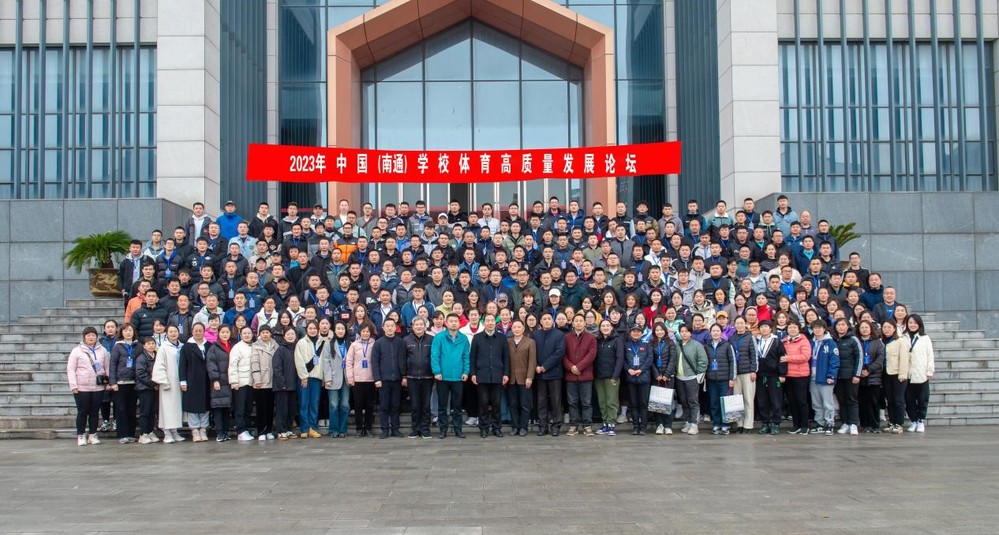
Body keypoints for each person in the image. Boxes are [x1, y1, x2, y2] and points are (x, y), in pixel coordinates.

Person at [67, 326, 111, 446]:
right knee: (82, 411)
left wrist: (108, 383)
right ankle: (81, 435)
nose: (91, 338)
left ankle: (93, 434)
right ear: (84, 337)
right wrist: (73, 385)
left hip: (98, 387)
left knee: (94, 412)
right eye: (88, 335)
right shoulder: (77, 351)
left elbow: (107, 367)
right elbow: (71, 369)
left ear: (96, 337)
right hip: (82, 387)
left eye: (93, 335)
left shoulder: (102, 350)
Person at [470, 314, 511, 438]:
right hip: (482, 375)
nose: (490, 323)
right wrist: (473, 373)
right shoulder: (477, 338)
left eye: (492, 320)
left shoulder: (502, 338)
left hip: (497, 375)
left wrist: (506, 373)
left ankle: (496, 428)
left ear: (495, 322)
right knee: (483, 403)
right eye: (487, 321)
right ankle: (483, 428)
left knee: (496, 404)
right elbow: (473, 357)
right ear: (484, 323)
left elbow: (506, 357)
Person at [431, 313, 471, 439]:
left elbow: (466, 356)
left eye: (456, 321)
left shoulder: (463, 338)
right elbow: (435, 355)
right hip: (442, 376)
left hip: (458, 376)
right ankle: (443, 429)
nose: (454, 323)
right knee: (442, 405)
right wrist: (436, 371)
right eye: (451, 321)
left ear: (459, 323)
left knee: (457, 406)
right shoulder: (439, 337)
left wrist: (466, 371)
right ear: (446, 323)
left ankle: (458, 429)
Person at [562, 313, 597, 437]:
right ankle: (574, 425)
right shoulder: (566, 338)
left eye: (581, 321)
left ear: (585, 323)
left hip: (585, 375)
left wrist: (579, 367)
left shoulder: (591, 338)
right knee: (572, 402)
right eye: (576, 320)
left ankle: (587, 426)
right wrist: (571, 367)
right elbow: (563, 355)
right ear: (572, 323)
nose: (578, 323)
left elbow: (591, 355)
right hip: (571, 375)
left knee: (586, 402)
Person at [372, 318, 407, 439]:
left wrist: (404, 376)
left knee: (396, 405)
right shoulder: (378, 343)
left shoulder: (400, 342)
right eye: (387, 326)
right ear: (383, 328)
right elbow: (375, 362)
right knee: (384, 406)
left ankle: (395, 429)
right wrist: (377, 379)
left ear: (395, 327)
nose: (390, 328)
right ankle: (385, 429)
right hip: (383, 380)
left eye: (392, 325)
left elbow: (403, 360)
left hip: (397, 379)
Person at [532, 312, 566, 437]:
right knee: (541, 401)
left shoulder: (559, 334)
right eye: (544, 319)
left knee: (556, 401)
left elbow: (559, 352)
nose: (547, 321)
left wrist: (545, 366)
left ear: (553, 321)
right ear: (540, 321)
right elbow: (532, 352)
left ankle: (556, 426)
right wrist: (536, 365)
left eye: (549, 319)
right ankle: (542, 426)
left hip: (554, 373)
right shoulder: (535, 334)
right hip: (539, 374)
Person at [179, 323, 212, 442]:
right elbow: (182, 365)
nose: (198, 333)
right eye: (196, 331)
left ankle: (203, 429)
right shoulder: (186, 347)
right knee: (192, 406)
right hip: (192, 380)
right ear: (192, 332)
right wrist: (183, 381)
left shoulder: (209, 345)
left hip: (206, 380)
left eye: (200, 330)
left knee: (205, 405)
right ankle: (194, 430)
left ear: (204, 332)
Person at [402, 317, 434, 439]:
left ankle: (425, 429)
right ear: (412, 326)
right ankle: (415, 429)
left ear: (425, 326)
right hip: (412, 377)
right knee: (415, 405)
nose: (419, 327)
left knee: (426, 405)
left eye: (421, 324)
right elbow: (403, 359)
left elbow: (434, 357)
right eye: (417, 325)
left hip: (428, 377)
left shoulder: (431, 339)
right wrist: (404, 376)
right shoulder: (406, 340)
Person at [152, 325, 185, 443]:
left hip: (179, 381)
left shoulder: (182, 346)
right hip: (168, 381)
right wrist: (163, 381)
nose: (173, 333)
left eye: (175, 331)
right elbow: (159, 365)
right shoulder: (163, 348)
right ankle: (167, 432)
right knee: (167, 407)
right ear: (167, 333)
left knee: (176, 408)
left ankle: (175, 431)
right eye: (171, 331)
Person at [108, 324, 140, 443]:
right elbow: (112, 364)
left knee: (132, 409)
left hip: (134, 382)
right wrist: (113, 382)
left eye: (130, 330)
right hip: (120, 382)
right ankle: (122, 434)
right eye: (125, 331)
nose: (128, 333)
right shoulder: (117, 347)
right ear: (121, 333)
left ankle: (131, 434)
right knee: (121, 409)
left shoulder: (138, 346)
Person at [754, 321, 787, 435]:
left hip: (774, 375)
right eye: (761, 327)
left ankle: (776, 423)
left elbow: (782, 358)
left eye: (766, 327)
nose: (764, 329)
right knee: (762, 401)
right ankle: (765, 423)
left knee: (775, 400)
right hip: (761, 376)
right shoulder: (756, 341)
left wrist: (782, 374)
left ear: (770, 328)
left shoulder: (776, 341)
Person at [295, 320, 326, 438]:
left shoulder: (322, 342)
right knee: (304, 403)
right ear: (306, 329)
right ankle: (304, 428)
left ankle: (313, 427)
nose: (312, 330)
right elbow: (299, 360)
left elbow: (324, 361)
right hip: (305, 377)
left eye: (314, 328)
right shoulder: (301, 343)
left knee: (314, 403)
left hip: (317, 377)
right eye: (310, 328)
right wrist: (303, 376)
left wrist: (323, 377)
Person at [808, 320, 839, 436]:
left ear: (824, 329)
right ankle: (819, 423)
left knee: (827, 403)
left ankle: (829, 423)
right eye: (815, 328)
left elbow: (834, 361)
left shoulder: (830, 343)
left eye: (819, 328)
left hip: (825, 377)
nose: (817, 330)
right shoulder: (811, 342)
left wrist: (831, 375)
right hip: (812, 377)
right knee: (816, 403)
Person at [675, 323, 707, 435]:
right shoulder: (677, 345)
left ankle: (694, 423)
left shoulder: (697, 345)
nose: (684, 333)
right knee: (684, 401)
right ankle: (688, 421)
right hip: (679, 377)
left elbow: (703, 361)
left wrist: (698, 373)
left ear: (690, 333)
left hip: (692, 377)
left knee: (693, 401)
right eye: (682, 331)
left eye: (686, 331)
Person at [904, 314, 935, 433]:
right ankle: (913, 420)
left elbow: (930, 355)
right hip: (907, 374)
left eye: (915, 323)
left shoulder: (925, 338)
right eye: (910, 322)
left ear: (919, 324)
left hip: (921, 373)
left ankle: (921, 420)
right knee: (909, 399)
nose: (912, 325)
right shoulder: (903, 337)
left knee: (922, 399)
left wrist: (929, 371)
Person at [346, 323, 377, 437]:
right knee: (358, 405)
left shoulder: (374, 344)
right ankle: (359, 428)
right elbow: (349, 362)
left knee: (369, 405)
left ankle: (368, 428)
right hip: (357, 380)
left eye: (367, 331)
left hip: (371, 379)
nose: (365, 333)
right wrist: (350, 378)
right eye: (363, 331)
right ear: (360, 332)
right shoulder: (354, 345)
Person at [506, 319, 536, 437]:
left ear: (523, 329)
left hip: (524, 378)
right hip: (511, 378)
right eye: (514, 327)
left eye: (519, 327)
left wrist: (530, 377)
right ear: (511, 329)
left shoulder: (530, 342)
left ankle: (523, 427)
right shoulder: (507, 342)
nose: (517, 329)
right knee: (512, 404)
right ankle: (515, 426)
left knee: (525, 404)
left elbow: (532, 361)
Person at [832, 318, 863, 435]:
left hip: (850, 376)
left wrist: (857, 374)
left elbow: (859, 357)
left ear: (848, 326)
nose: (841, 327)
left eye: (843, 324)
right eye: (838, 325)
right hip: (838, 376)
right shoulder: (833, 340)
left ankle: (853, 423)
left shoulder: (853, 339)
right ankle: (845, 422)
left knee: (851, 400)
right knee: (842, 400)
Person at [593, 319, 623, 436]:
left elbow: (620, 359)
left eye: (607, 325)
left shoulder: (617, 340)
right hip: (599, 376)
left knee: (611, 401)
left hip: (611, 376)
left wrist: (615, 375)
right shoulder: (597, 341)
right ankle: (605, 423)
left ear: (611, 327)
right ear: (600, 328)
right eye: (603, 326)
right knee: (602, 401)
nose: (605, 328)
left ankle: (611, 424)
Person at [704, 323, 736, 435]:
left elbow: (732, 362)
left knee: (725, 402)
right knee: (714, 403)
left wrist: (732, 378)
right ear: (710, 333)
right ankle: (716, 424)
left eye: (718, 331)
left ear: (721, 332)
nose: (715, 333)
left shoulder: (727, 345)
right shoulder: (706, 346)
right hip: (711, 379)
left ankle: (725, 425)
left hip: (725, 379)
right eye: (713, 331)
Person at [623, 324, 655, 435]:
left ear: (642, 333)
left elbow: (650, 359)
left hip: (644, 377)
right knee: (633, 404)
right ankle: (635, 426)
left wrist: (641, 370)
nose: (636, 333)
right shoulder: (626, 344)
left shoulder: (647, 344)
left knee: (643, 403)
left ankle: (643, 427)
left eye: (638, 331)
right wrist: (628, 369)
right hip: (631, 378)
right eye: (634, 331)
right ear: (630, 333)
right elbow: (623, 360)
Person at [781, 321, 812, 435]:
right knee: (792, 401)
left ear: (799, 329)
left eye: (794, 327)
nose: (792, 329)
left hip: (800, 375)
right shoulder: (784, 341)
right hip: (788, 375)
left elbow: (805, 356)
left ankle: (804, 425)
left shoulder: (804, 341)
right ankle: (796, 425)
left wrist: (788, 358)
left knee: (801, 400)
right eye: (790, 327)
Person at [323, 322, 351, 438]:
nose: (340, 331)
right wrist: (328, 378)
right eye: (338, 328)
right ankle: (333, 429)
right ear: (334, 330)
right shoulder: (329, 344)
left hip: (346, 378)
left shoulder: (349, 343)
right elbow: (326, 362)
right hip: (333, 378)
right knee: (333, 405)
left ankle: (343, 429)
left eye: (342, 329)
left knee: (345, 405)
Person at [856, 320, 885, 433]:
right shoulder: (856, 341)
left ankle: (875, 425)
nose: (864, 329)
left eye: (866, 327)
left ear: (870, 329)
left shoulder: (877, 342)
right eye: (862, 328)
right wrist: (860, 371)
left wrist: (869, 370)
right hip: (860, 376)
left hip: (874, 376)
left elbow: (880, 358)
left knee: (874, 401)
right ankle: (865, 425)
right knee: (862, 402)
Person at [205, 324, 233, 442]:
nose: (225, 334)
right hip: (219, 382)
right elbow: (211, 365)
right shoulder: (214, 348)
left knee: (226, 408)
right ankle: (220, 433)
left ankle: (225, 432)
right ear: (218, 333)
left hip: (230, 381)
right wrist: (215, 379)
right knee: (218, 408)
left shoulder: (232, 346)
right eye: (223, 332)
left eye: (227, 332)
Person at [649, 323, 678, 435]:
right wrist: (656, 374)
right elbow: (650, 360)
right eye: (657, 330)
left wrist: (666, 374)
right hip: (656, 376)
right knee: (657, 401)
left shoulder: (670, 343)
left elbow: (673, 359)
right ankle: (659, 425)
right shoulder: (651, 343)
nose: (659, 332)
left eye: (661, 330)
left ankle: (668, 425)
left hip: (668, 377)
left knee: (667, 401)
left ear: (665, 331)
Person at [272, 328, 301, 439]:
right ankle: (281, 430)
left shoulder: (297, 349)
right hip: (282, 386)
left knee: (291, 409)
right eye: (288, 334)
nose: (290, 336)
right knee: (282, 409)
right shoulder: (281, 350)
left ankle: (289, 429)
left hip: (293, 384)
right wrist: (282, 382)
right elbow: (277, 368)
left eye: (292, 334)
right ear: (284, 336)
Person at [228, 326, 256, 441]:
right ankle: (240, 430)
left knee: (248, 407)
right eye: (244, 333)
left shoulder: (254, 346)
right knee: (240, 408)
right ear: (240, 334)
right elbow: (232, 365)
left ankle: (246, 429)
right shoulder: (237, 347)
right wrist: (234, 381)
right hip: (240, 382)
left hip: (251, 382)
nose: (247, 335)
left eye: (249, 333)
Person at [250, 324, 277, 440]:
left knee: (270, 407)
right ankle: (261, 431)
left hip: (272, 381)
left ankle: (269, 430)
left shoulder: (275, 345)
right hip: (260, 382)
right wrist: (257, 379)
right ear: (259, 334)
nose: (265, 334)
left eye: (267, 332)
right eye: (263, 332)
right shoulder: (255, 346)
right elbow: (254, 363)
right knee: (261, 408)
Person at [881, 321, 908, 434]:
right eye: (884, 327)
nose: (886, 329)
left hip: (897, 374)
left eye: (889, 327)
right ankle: (892, 422)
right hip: (885, 374)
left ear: (894, 329)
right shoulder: (881, 341)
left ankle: (899, 423)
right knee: (890, 400)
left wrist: (903, 374)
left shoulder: (900, 341)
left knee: (898, 400)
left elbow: (904, 358)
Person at [134, 337, 160, 444]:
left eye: (153, 343)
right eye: (148, 344)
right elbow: (141, 374)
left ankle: (150, 432)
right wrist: (153, 384)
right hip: (145, 388)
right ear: (144, 346)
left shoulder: (157, 356)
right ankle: (143, 434)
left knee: (152, 412)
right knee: (145, 412)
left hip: (155, 388)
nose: (151, 345)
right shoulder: (141, 357)